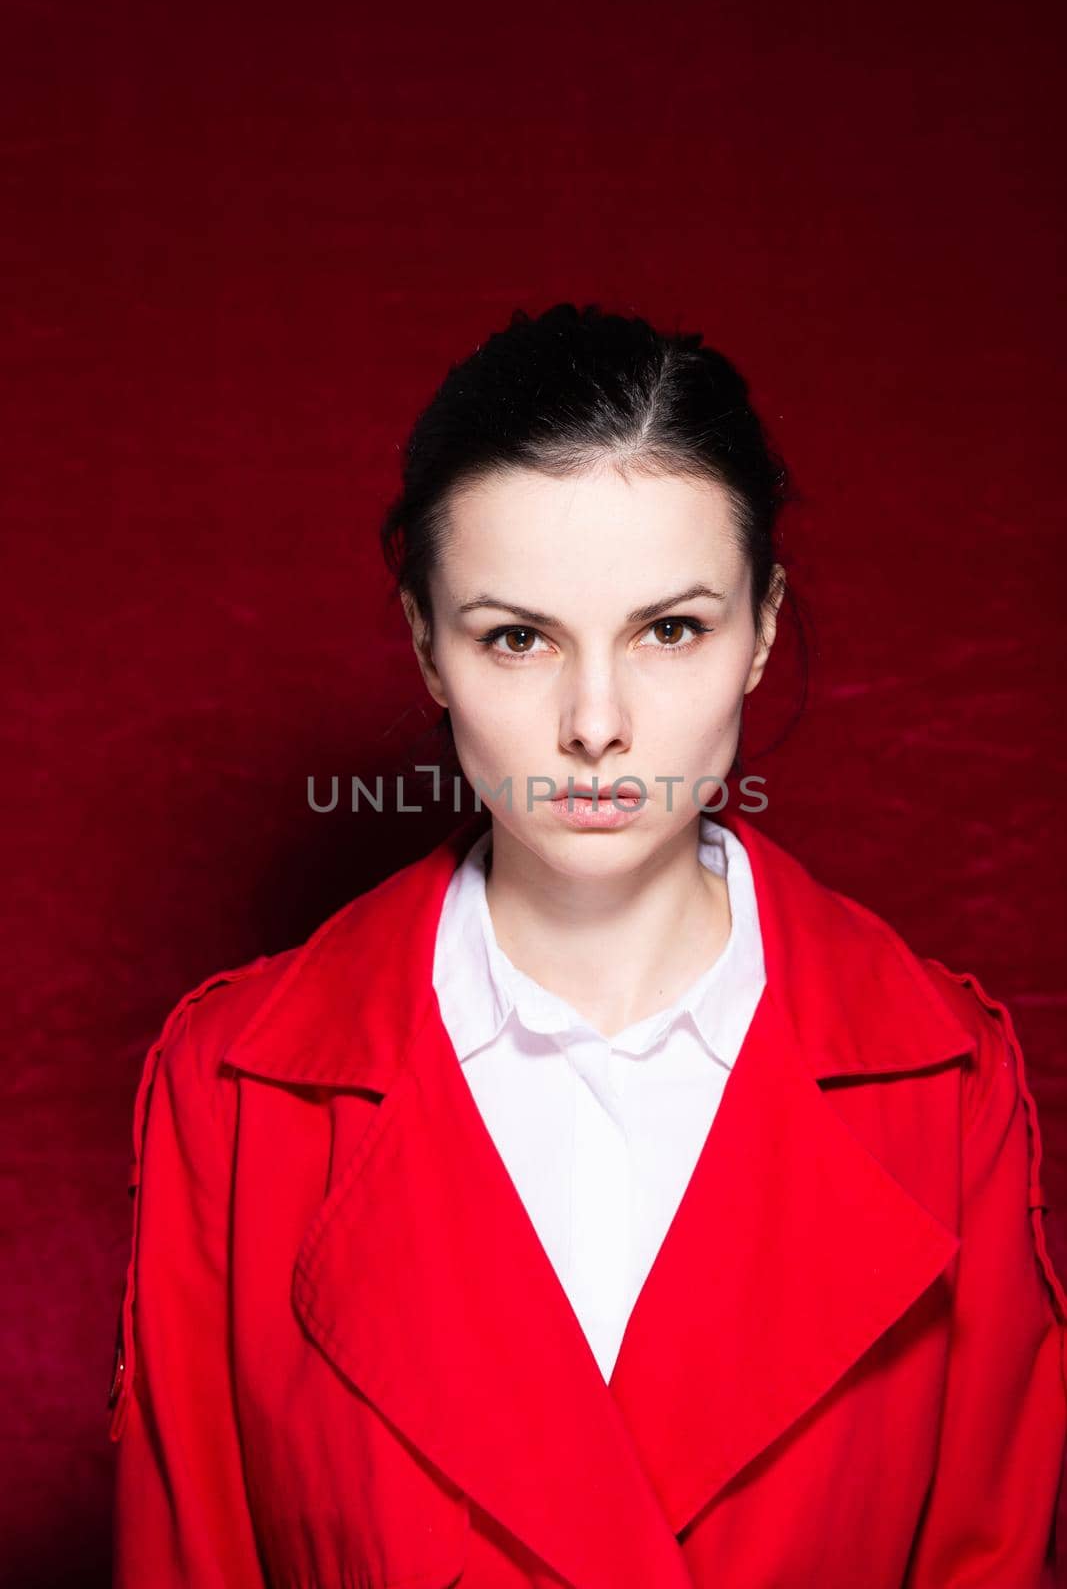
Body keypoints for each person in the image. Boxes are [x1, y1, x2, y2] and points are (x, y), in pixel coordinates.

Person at [110, 302, 1067, 1588]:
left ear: (762, 628)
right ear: (423, 645)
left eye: (669, 629)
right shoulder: (231, 1092)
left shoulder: (947, 1086)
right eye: (516, 637)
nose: (596, 724)